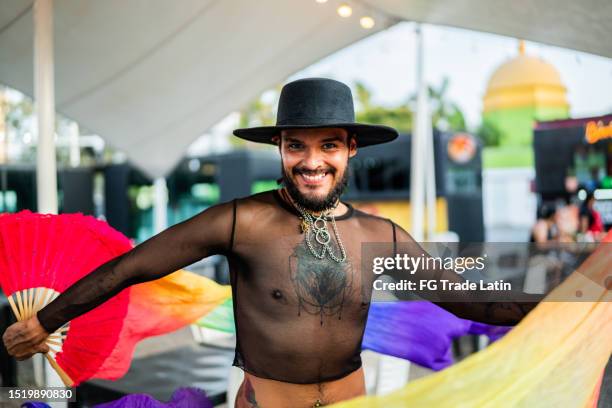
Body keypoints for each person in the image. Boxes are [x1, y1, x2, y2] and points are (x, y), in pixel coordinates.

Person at [2, 78, 539, 408]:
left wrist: (583, 296)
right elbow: (129, 268)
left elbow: (471, 299)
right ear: (279, 148)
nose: (311, 161)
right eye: (295, 146)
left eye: (328, 145)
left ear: (350, 148)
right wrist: (47, 321)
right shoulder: (242, 222)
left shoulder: (381, 235)